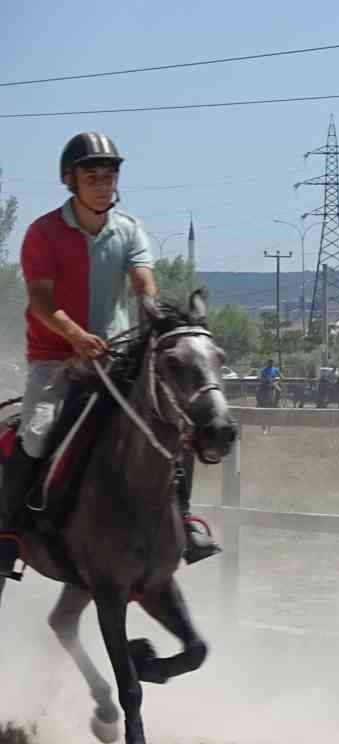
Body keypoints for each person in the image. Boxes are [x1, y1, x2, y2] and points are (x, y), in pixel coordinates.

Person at [2, 132, 219, 579]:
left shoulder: (130, 230)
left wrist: (153, 318)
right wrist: (77, 337)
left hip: (115, 355)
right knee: (38, 432)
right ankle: (8, 532)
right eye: (92, 176)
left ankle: (184, 520)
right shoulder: (43, 233)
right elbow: (41, 302)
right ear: (70, 181)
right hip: (55, 359)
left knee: (171, 423)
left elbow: (143, 285)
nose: (103, 184)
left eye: (110, 175)